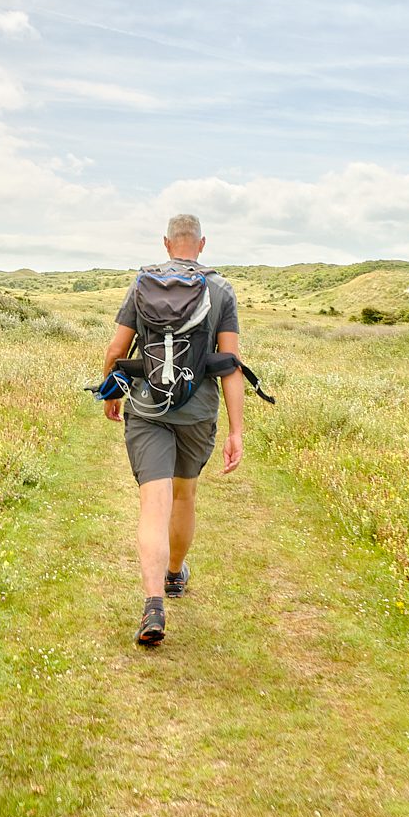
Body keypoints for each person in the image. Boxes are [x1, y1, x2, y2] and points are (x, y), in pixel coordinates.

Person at [100, 213, 243, 646]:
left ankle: (152, 604)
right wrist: (236, 431)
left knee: (153, 502)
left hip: (147, 408)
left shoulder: (143, 283)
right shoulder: (220, 289)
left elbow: (116, 349)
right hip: (197, 413)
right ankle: (175, 575)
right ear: (202, 244)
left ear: (166, 244)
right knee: (184, 495)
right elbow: (230, 365)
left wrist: (112, 393)